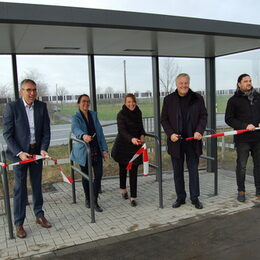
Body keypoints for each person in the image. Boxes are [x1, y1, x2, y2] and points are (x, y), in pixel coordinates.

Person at [3, 79, 51, 239]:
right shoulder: (12, 107)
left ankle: (39, 215)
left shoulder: (41, 107)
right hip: (20, 155)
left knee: (37, 185)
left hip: (36, 152)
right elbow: (7, 134)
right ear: (21, 91)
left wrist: (44, 148)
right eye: (29, 90)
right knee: (20, 189)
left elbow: (46, 131)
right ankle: (19, 223)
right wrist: (19, 153)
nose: (32, 93)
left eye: (34, 90)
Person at [161, 73, 207, 209]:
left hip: (193, 141)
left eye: (186, 83)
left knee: (193, 171)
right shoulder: (168, 100)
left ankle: (195, 198)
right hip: (176, 142)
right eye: (181, 83)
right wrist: (170, 134)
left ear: (189, 83)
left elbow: (203, 116)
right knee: (178, 172)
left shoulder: (198, 98)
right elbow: (164, 119)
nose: (183, 85)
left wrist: (199, 130)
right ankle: (180, 197)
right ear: (176, 84)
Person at [225, 74, 260, 202]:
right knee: (242, 166)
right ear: (239, 84)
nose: (249, 83)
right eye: (245, 81)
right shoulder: (233, 101)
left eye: (250, 81)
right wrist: (244, 126)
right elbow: (229, 119)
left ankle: (259, 190)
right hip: (242, 139)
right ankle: (241, 191)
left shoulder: (258, 97)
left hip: (258, 138)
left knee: (259, 165)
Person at [70, 94, 108, 212]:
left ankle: (94, 200)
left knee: (98, 175)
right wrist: (83, 135)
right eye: (83, 101)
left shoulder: (93, 115)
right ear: (78, 103)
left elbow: (100, 132)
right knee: (86, 176)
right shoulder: (76, 117)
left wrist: (104, 149)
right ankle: (88, 199)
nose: (86, 103)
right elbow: (75, 129)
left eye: (88, 101)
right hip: (84, 151)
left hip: (96, 149)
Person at [111, 93, 146, 207]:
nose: (131, 104)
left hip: (135, 146)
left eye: (132, 101)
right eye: (128, 102)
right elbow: (122, 131)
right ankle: (123, 190)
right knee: (123, 168)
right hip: (123, 145)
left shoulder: (138, 112)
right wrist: (131, 139)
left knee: (133, 170)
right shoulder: (121, 114)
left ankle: (133, 197)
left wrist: (142, 135)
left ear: (135, 101)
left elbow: (141, 126)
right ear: (125, 103)